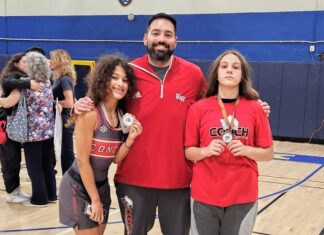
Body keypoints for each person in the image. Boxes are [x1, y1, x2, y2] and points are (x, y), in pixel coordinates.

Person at [74, 13, 271, 235]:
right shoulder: (130, 73)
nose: (162, 39)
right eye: (156, 33)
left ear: (176, 41)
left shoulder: (193, 74)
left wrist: (254, 106)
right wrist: (79, 104)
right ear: (145, 38)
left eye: (168, 35)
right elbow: (105, 102)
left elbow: (215, 103)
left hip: (179, 182)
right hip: (133, 180)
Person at [185, 50, 274, 235]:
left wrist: (246, 149)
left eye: (235, 67)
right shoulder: (198, 108)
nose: (229, 70)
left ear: (243, 75)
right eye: (224, 66)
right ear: (216, 73)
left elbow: (268, 153)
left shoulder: (256, 108)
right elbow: (189, 151)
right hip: (205, 194)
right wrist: (206, 151)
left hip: (243, 194)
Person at [59, 55, 142, 235]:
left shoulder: (121, 116)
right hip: (79, 186)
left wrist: (130, 140)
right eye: (114, 77)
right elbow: (82, 161)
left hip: (102, 186)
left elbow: (115, 159)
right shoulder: (90, 113)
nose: (120, 83)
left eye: (125, 80)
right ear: (103, 79)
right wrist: (95, 200)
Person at [0, 52, 42, 204]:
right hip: (4, 125)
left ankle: (16, 189)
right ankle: (11, 192)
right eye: (24, 61)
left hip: (14, 124)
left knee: (15, 158)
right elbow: (7, 82)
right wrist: (29, 84)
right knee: (9, 158)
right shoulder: (12, 76)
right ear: (16, 64)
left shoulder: (22, 77)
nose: (27, 64)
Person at [50, 49, 76, 174]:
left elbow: (70, 102)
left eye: (53, 59)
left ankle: (70, 184)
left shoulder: (64, 80)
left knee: (67, 153)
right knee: (62, 153)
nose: (50, 61)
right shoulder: (58, 79)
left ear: (60, 62)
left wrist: (50, 103)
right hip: (60, 120)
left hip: (65, 120)